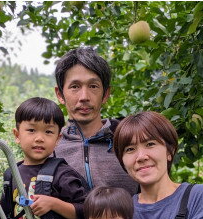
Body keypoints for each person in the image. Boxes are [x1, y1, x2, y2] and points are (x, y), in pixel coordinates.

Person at [54, 46, 139, 195]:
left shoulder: (129, 141)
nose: (84, 97)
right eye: (75, 87)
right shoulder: (49, 147)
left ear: (105, 94)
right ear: (60, 94)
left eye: (93, 86)